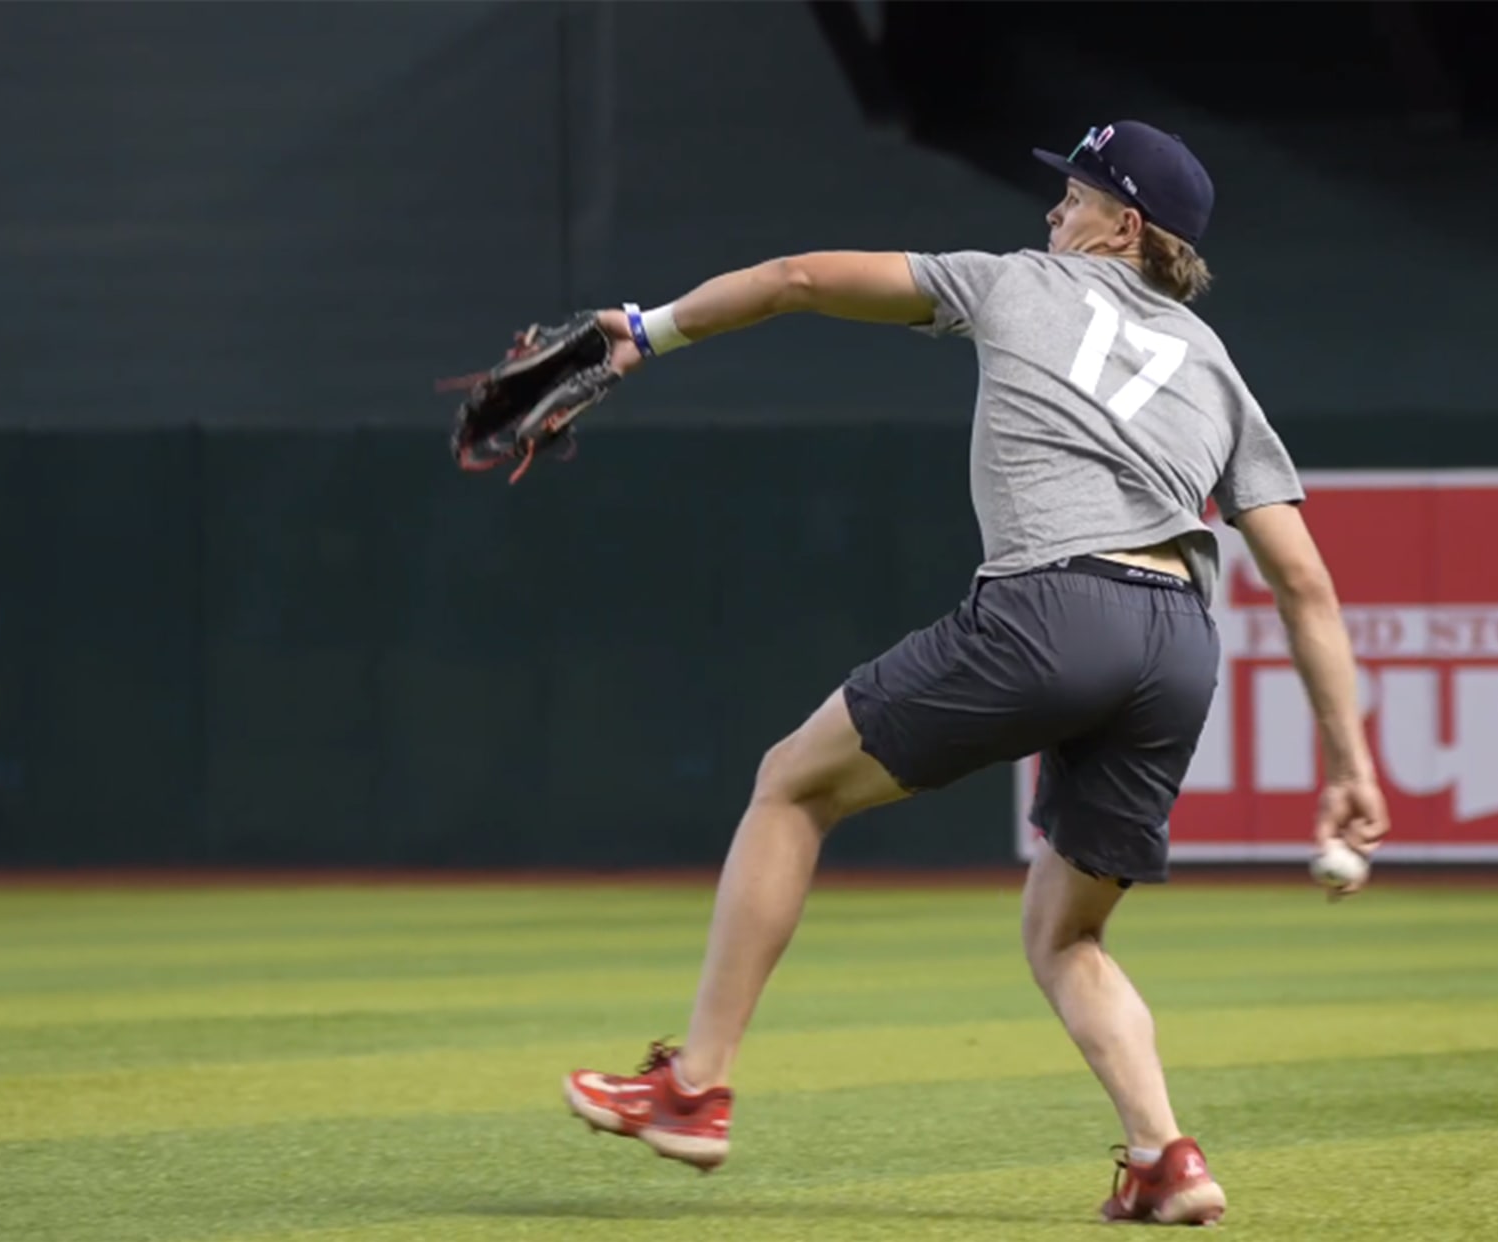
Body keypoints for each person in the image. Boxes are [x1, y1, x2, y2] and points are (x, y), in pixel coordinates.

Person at [560, 119, 1388, 1226]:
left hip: (1059, 606)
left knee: (791, 787)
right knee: (1067, 933)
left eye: (1075, 195)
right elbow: (1304, 584)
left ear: (1123, 228)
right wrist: (1350, 761)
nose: (1053, 211)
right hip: (1179, 648)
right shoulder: (1213, 364)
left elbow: (797, 278)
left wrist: (645, 332)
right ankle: (1164, 1159)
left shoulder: (1017, 284)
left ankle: (694, 1089)